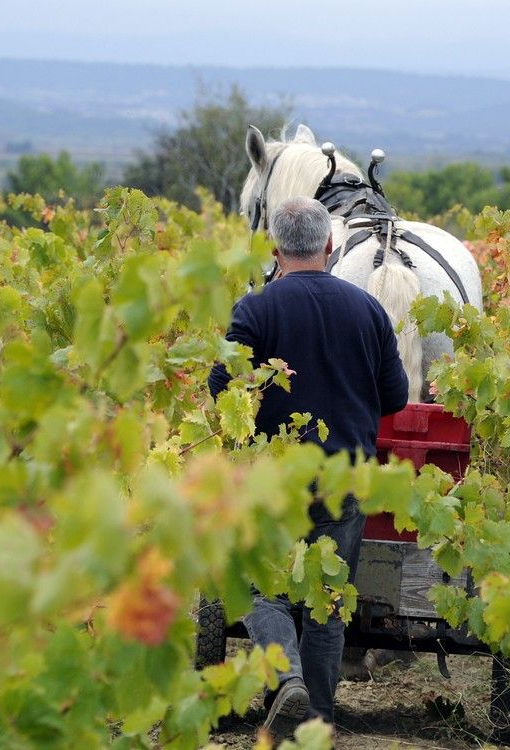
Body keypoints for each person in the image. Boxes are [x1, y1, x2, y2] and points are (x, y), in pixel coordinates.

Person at [208, 197, 409, 737]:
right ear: (329, 246)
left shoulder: (255, 310)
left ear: (275, 250)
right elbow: (396, 396)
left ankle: (287, 682)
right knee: (327, 601)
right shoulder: (369, 311)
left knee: (261, 593)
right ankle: (315, 720)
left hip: (274, 478)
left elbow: (221, 386)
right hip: (345, 477)